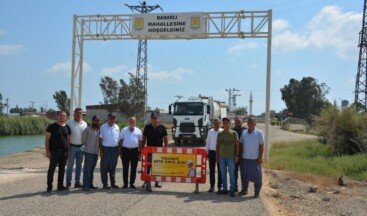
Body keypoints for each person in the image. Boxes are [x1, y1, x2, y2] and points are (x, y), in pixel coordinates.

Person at [142, 112, 168, 192]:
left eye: (155, 118)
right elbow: (144, 139)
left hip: (159, 151)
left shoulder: (162, 127)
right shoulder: (147, 127)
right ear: (151, 119)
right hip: (149, 151)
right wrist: (142, 148)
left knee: (158, 166)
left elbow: (165, 139)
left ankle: (157, 181)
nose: (154, 119)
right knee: (148, 166)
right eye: (153, 118)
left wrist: (165, 148)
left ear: (158, 118)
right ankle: (146, 181)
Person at [45, 111, 71, 192]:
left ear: (66, 117)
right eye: (60, 115)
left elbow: (68, 140)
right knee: (51, 169)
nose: (62, 117)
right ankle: (49, 186)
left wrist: (68, 152)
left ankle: (60, 186)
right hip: (54, 152)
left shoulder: (67, 127)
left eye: (64, 115)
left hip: (64, 152)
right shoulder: (51, 127)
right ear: (57, 116)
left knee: (62, 169)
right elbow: (47, 140)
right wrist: (47, 151)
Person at [239, 118, 264, 198]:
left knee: (257, 176)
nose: (250, 124)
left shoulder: (259, 133)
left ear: (255, 123)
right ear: (247, 124)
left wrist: (260, 157)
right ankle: (244, 190)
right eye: (249, 123)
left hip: (255, 158)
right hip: (245, 157)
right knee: (244, 175)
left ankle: (257, 192)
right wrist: (239, 156)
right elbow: (241, 144)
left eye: (252, 123)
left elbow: (261, 146)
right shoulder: (244, 132)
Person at [216, 117, 239, 197]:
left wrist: (236, 155)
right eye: (224, 122)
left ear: (229, 123)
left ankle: (232, 190)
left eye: (227, 122)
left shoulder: (233, 133)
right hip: (222, 157)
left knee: (231, 174)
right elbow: (218, 146)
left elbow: (237, 145)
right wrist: (217, 156)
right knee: (223, 174)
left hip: (231, 157)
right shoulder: (220, 134)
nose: (225, 124)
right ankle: (225, 189)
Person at [66, 108, 87, 189]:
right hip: (72, 147)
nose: (78, 114)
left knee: (79, 166)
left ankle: (77, 182)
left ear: (82, 114)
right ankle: (68, 183)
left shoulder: (84, 124)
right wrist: (67, 149)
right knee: (69, 166)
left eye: (80, 113)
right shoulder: (69, 123)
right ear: (74, 113)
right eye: (77, 113)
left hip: (81, 147)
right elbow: (66, 136)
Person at [119, 116, 143, 189]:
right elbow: (121, 141)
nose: (132, 123)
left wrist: (140, 152)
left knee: (133, 168)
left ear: (135, 122)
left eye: (133, 122)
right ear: (128, 122)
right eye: (130, 121)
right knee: (125, 168)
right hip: (125, 150)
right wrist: (120, 151)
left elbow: (140, 142)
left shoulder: (138, 130)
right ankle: (125, 183)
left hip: (135, 151)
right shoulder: (124, 130)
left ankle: (132, 183)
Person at [99, 113, 120, 189]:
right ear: (108, 119)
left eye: (113, 118)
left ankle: (113, 183)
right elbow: (100, 139)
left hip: (115, 149)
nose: (112, 120)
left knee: (113, 167)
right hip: (106, 149)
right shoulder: (103, 127)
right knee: (104, 168)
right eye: (111, 118)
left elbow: (118, 139)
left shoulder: (117, 127)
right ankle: (105, 184)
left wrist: (119, 150)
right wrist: (101, 150)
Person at [81, 115, 100, 191]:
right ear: (92, 121)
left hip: (96, 153)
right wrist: (88, 145)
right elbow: (83, 140)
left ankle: (90, 184)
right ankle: (85, 186)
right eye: (95, 120)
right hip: (89, 152)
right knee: (87, 170)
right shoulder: (87, 129)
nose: (96, 122)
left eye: (98, 121)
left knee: (92, 170)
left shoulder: (99, 130)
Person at [205, 118, 223, 193]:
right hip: (211, 153)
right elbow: (208, 143)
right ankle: (212, 186)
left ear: (220, 123)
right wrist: (206, 153)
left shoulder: (222, 131)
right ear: (213, 124)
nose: (216, 124)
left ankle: (220, 187)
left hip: (220, 153)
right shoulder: (210, 132)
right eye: (215, 123)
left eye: (218, 123)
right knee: (211, 170)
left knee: (220, 170)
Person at [232, 116, 247, 192]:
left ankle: (244, 189)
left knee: (243, 173)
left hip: (243, 155)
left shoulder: (245, 130)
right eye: (236, 121)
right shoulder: (232, 130)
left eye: (239, 121)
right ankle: (234, 187)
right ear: (234, 122)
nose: (237, 122)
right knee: (234, 172)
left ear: (242, 121)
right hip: (233, 155)